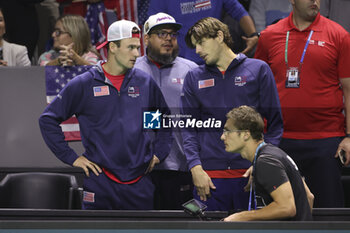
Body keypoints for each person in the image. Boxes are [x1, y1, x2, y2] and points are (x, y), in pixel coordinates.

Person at [39, 19, 172, 210]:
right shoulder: (84, 83)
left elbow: (162, 119)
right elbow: (48, 120)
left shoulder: (144, 82)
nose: (137, 54)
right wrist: (71, 157)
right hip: (100, 182)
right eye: (131, 48)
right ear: (113, 47)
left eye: (138, 47)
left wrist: (159, 153)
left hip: (140, 183)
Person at [254, 0, 350, 208]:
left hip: (326, 140)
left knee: (329, 212)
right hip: (279, 140)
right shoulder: (269, 36)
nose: (316, 1)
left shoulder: (338, 34)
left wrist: (349, 137)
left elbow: (349, 90)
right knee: (280, 213)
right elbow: (258, 91)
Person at [181, 17, 283, 211]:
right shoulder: (193, 77)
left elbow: (276, 125)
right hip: (209, 179)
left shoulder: (259, 69)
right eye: (195, 46)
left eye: (201, 43)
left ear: (219, 36)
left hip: (251, 175)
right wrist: (195, 168)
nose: (197, 51)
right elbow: (187, 128)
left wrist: (263, 164)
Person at [134, 12, 198, 209]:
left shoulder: (192, 70)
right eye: (161, 34)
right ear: (146, 39)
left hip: (180, 165)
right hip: (138, 166)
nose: (168, 39)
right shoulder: (131, 70)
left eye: (172, 34)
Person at [221, 105, 313, 221]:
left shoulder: (266, 161)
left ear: (246, 134)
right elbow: (309, 197)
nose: (222, 137)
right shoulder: (274, 154)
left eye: (228, 131)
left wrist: (241, 216)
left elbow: (286, 207)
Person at [147, 0, 259, 64]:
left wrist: (253, 35)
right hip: (182, 63)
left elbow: (238, 10)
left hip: (216, 60)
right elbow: (152, 26)